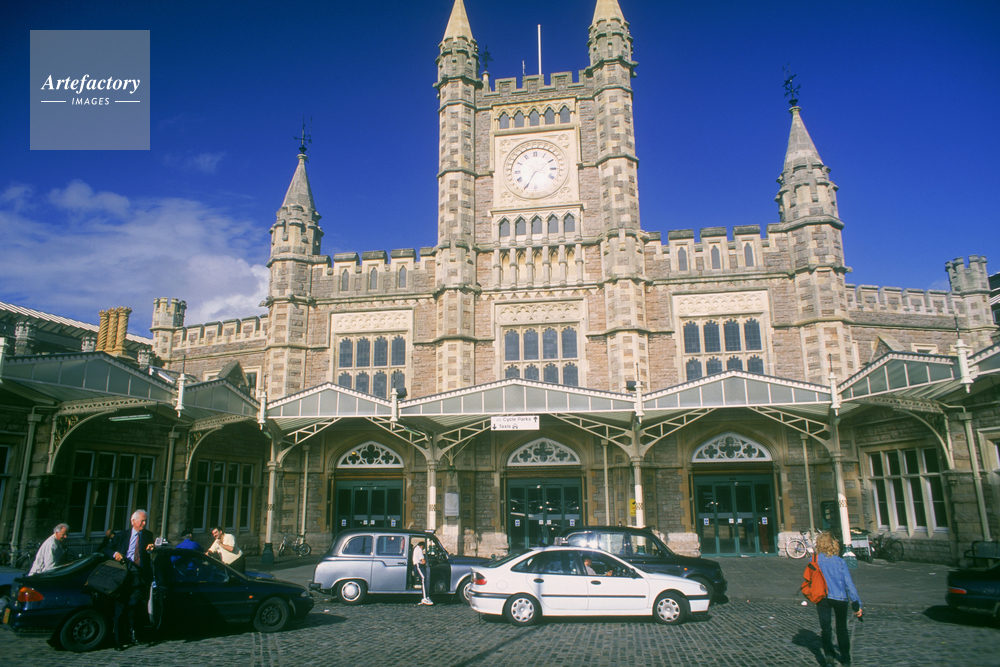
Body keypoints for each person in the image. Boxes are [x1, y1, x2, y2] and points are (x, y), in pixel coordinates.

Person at [104, 510, 155, 649]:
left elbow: (150, 547)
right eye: (142, 521)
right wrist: (115, 554)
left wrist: (151, 547)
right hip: (123, 575)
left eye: (145, 521)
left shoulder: (148, 535)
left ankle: (134, 633)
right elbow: (107, 549)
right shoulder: (122, 536)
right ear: (133, 521)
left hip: (138, 576)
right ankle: (119, 640)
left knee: (134, 604)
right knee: (120, 607)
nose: (144, 523)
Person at [815, 531, 863, 667]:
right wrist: (856, 603)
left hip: (822, 597)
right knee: (842, 629)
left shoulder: (815, 560)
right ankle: (846, 659)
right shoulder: (840, 562)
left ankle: (829, 655)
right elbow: (849, 584)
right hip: (840, 598)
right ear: (834, 544)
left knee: (826, 629)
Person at [412, 540, 432, 606]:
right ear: (422, 546)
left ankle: (425, 597)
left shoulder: (416, 549)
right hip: (418, 565)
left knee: (424, 579)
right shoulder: (419, 549)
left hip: (417, 565)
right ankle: (425, 598)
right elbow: (423, 561)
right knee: (424, 579)